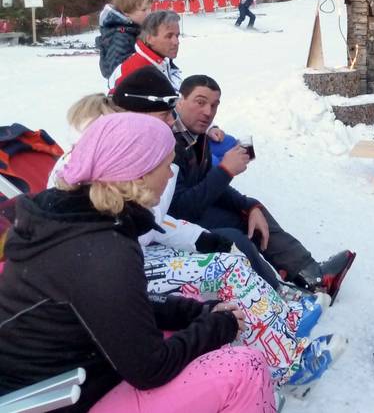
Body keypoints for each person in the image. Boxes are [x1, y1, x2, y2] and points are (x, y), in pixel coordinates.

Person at [62, 68, 342, 387]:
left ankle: (285, 315)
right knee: (226, 264)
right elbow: (161, 214)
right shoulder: (114, 154)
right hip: (121, 266)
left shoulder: (167, 141)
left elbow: (153, 218)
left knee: (233, 242)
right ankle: (286, 366)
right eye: (195, 103)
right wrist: (222, 181)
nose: (174, 120)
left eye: (214, 105)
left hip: (137, 250)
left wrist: (220, 225)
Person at [0, 113, 276, 412]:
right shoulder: (104, 249)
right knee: (244, 367)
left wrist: (194, 312)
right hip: (55, 399)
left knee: (193, 313)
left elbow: (115, 308)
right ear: (139, 174)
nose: (170, 176)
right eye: (166, 165)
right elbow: (150, 369)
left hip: (54, 376)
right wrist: (218, 327)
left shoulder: (72, 218)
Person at [170, 74, 356, 302]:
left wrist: (249, 205)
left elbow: (209, 183)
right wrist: (225, 171)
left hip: (192, 211)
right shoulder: (169, 142)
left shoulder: (197, 136)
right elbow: (179, 209)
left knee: (251, 213)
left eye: (214, 105)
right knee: (234, 238)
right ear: (180, 101)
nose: (208, 112)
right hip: (172, 225)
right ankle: (275, 296)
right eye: (200, 102)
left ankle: (313, 276)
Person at [108, 10, 183, 92]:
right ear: (149, 39)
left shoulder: (161, 61)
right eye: (169, 36)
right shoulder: (138, 72)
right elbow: (116, 97)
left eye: (177, 36)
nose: (176, 42)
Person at [96, 0, 153, 79]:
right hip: (129, 85)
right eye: (144, 10)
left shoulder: (135, 30)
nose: (149, 13)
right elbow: (116, 72)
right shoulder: (119, 36)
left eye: (150, 8)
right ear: (126, 12)